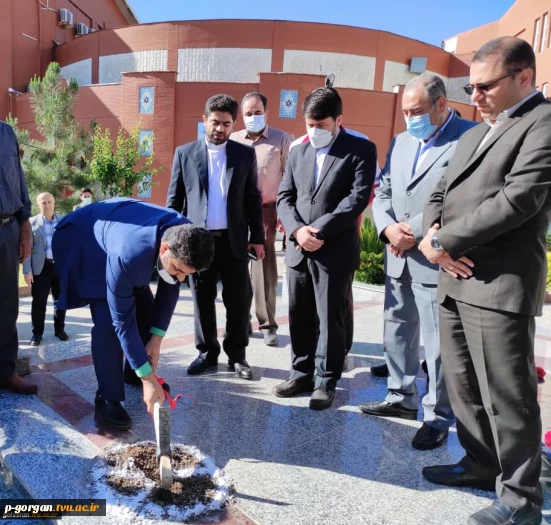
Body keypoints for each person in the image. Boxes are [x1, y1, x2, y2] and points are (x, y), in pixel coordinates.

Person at [418, 37, 550, 525]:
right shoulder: (475, 134)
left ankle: (520, 501)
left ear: (523, 78)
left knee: (508, 395)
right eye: (470, 87)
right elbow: (440, 190)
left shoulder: (543, 124)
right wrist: (434, 237)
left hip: (499, 283)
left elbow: (519, 200)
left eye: (485, 86)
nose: (474, 96)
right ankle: (479, 464)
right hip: (455, 277)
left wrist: (446, 241)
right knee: (463, 384)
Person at [359, 74, 477, 451]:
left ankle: (437, 416)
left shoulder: (469, 138)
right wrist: (389, 228)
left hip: (433, 255)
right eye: (406, 112)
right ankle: (400, 396)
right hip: (398, 253)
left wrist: (412, 228)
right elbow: (385, 190)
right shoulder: (401, 141)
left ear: (442, 105)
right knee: (397, 329)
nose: (411, 119)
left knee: (437, 342)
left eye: (418, 111)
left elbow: (463, 198)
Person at [52, 198, 214, 430]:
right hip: (83, 239)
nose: (180, 279)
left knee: (148, 316)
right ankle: (108, 398)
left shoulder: (185, 236)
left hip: (122, 234)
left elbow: (169, 291)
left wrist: (156, 339)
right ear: (164, 248)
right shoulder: (129, 254)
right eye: (178, 270)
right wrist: (149, 380)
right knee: (108, 319)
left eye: (186, 274)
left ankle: (133, 372)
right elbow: (122, 322)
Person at [275, 87, 377, 410]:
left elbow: (357, 199)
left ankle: (325, 380)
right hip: (298, 249)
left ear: (338, 120)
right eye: (309, 124)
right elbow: (284, 197)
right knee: (298, 314)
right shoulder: (297, 151)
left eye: (321, 125)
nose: (314, 131)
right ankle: (300, 372)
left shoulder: (360, 149)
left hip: (333, 248)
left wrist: (317, 229)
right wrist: (297, 230)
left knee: (330, 319)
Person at [167, 94, 264, 380]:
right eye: (214, 122)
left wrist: (257, 237)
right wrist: (171, 241)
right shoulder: (185, 153)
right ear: (204, 120)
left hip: (233, 241)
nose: (219, 128)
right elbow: (174, 201)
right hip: (198, 243)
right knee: (202, 300)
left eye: (226, 123)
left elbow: (253, 198)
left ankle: (238, 356)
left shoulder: (244, 155)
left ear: (233, 124)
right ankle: (207, 353)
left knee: (238, 301)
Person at [230, 92, 293, 347]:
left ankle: (267, 323)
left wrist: (286, 218)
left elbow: (290, 179)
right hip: (235, 212)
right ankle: (240, 320)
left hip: (266, 210)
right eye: (248, 113)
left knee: (263, 270)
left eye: (257, 112)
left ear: (267, 113)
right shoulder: (233, 140)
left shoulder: (282, 139)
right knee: (237, 270)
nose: (253, 117)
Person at [0, 121, 36, 395]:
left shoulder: (6, 132)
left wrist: (25, 226)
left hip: (7, 228)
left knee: (7, 304)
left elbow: (19, 181)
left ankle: (5, 370)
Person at [23, 192, 68, 346]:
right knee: (39, 303)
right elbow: (27, 249)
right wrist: (27, 271)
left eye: (49, 202)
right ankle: (37, 334)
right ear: (38, 204)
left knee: (60, 301)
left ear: (54, 203)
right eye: (43, 202)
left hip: (60, 267)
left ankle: (59, 330)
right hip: (41, 268)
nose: (47, 205)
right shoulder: (31, 223)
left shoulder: (64, 221)